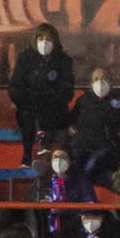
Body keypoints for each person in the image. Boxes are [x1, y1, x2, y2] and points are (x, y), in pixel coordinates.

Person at [9, 24, 75, 167]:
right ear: (35, 40)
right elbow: (15, 86)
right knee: (28, 115)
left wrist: (50, 99)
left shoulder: (63, 61)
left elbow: (67, 90)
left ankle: (58, 159)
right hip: (29, 107)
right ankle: (27, 157)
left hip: (54, 108)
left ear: (55, 42)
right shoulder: (25, 58)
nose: (44, 43)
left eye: (49, 39)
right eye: (41, 38)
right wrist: (25, 100)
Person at [70, 68, 120, 187]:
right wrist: (71, 129)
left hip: (113, 152)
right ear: (91, 84)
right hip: (86, 150)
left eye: (104, 78)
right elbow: (71, 121)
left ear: (111, 82)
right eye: (96, 79)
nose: (100, 82)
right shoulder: (83, 101)